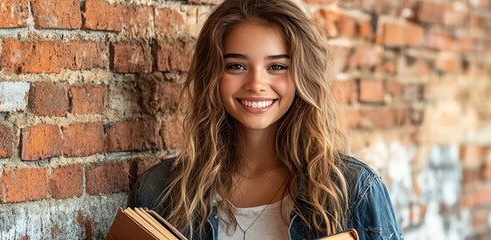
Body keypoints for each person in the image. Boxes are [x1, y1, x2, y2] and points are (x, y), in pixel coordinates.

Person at [128, 0, 403, 239]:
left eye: (277, 67)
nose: (256, 83)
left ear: (301, 76)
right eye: (236, 66)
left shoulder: (353, 191)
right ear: (212, 75)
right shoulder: (160, 191)